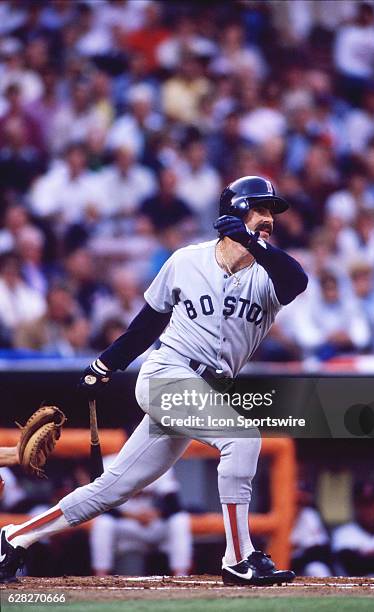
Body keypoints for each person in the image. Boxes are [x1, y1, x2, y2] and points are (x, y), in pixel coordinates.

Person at [0, 175, 308, 586]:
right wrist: (103, 366)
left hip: (205, 392)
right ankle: (239, 556)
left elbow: (297, 281)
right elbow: (146, 325)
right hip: (167, 375)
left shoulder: (270, 273)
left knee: (113, 488)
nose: (269, 218)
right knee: (242, 436)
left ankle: (14, 537)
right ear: (235, 210)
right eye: (261, 208)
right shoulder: (187, 260)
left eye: (272, 211)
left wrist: (253, 243)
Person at [332, 479, 374, 577]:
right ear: (355, 503)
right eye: (364, 502)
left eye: (372, 502)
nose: (369, 507)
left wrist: (364, 556)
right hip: (353, 591)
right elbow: (351, 567)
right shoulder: (343, 533)